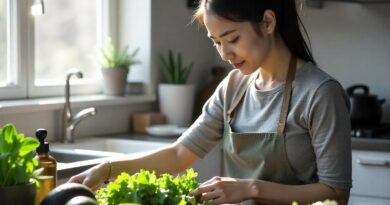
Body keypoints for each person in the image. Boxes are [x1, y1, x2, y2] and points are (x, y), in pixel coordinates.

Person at [68, 0, 352, 204]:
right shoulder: (232, 88)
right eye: (216, 42)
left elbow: (335, 193)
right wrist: (107, 169)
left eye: (232, 38)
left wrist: (250, 189)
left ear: (268, 22)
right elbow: (179, 155)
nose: (224, 53)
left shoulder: (319, 93)